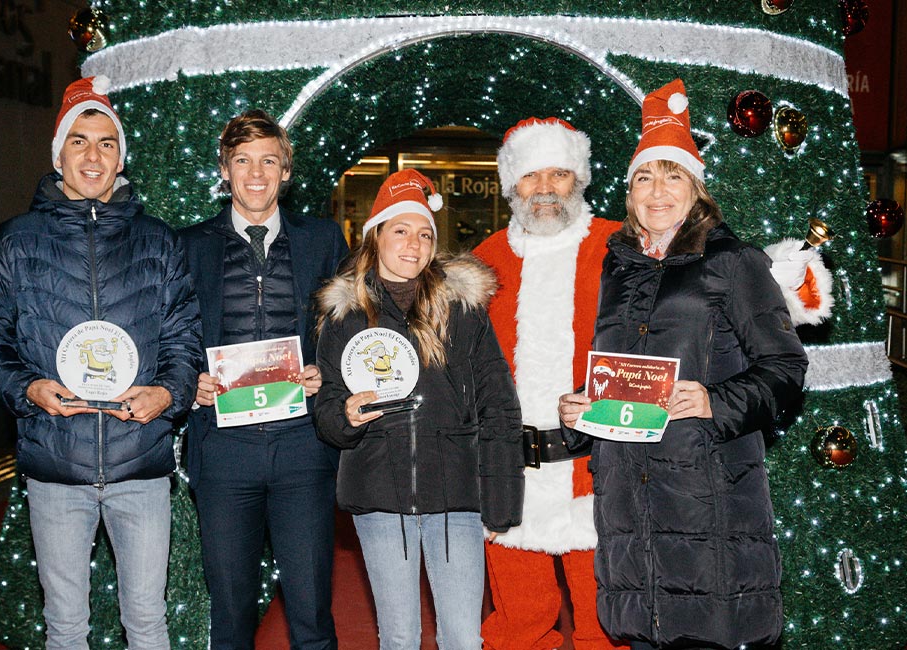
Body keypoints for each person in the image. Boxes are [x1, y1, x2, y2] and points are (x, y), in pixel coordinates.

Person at [558, 79, 809, 650]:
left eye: (673, 175)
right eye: (645, 177)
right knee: (646, 633)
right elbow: (630, 369)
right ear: (629, 192)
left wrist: (714, 401)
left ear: (697, 188)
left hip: (706, 489)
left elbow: (785, 368)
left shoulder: (734, 262)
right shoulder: (619, 267)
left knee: (707, 632)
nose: (657, 190)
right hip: (627, 490)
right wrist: (582, 406)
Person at [0, 75, 203, 649]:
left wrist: (168, 393)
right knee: (65, 627)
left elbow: (185, 339)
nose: (93, 156)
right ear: (59, 152)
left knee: (147, 622)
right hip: (55, 464)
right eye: (79, 141)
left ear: (121, 157)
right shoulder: (15, 241)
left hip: (139, 459)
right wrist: (28, 388)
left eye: (107, 143)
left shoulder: (158, 241)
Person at [314, 169, 525, 650]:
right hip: (380, 493)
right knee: (400, 636)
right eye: (401, 231)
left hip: (456, 496)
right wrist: (344, 415)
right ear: (376, 237)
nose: (413, 245)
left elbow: (498, 402)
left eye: (425, 233)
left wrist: (501, 495)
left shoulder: (462, 309)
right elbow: (325, 405)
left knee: (462, 637)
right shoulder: (345, 315)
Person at [181, 109, 348, 650]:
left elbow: (345, 326)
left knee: (312, 613)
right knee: (230, 614)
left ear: (287, 171)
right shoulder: (187, 246)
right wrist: (189, 381)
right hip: (223, 450)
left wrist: (327, 368)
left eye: (269, 161)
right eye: (243, 161)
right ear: (224, 170)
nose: (256, 174)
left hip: (303, 448)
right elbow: (167, 333)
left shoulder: (323, 239)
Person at [473, 116, 624, 650]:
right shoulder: (483, 262)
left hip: (596, 468)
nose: (544, 190)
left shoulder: (620, 249)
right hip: (509, 471)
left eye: (558, 175)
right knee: (517, 622)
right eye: (531, 176)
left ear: (579, 180)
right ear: (512, 184)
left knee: (607, 621)